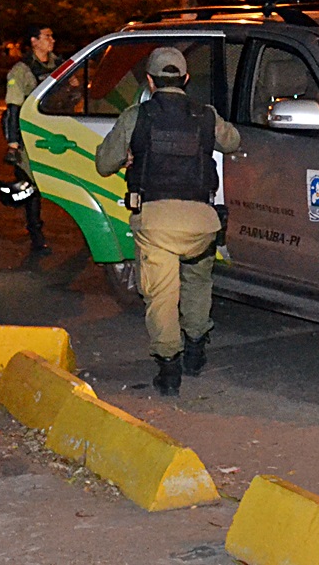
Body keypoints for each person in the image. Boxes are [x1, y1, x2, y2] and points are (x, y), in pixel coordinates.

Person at [94, 47, 239, 396]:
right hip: (202, 221)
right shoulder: (206, 115)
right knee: (197, 282)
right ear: (185, 79)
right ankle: (195, 352)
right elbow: (233, 141)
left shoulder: (135, 116)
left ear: (150, 81)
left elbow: (103, 163)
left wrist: (130, 152)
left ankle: (169, 370)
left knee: (161, 294)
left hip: (156, 222)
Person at [1, 25, 58, 255]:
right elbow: (13, 108)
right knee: (31, 189)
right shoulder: (21, 71)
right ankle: (36, 234)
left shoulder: (59, 65)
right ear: (34, 41)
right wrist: (13, 143)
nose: (52, 40)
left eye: (52, 36)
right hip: (30, 137)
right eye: (47, 36)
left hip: (56, 134)